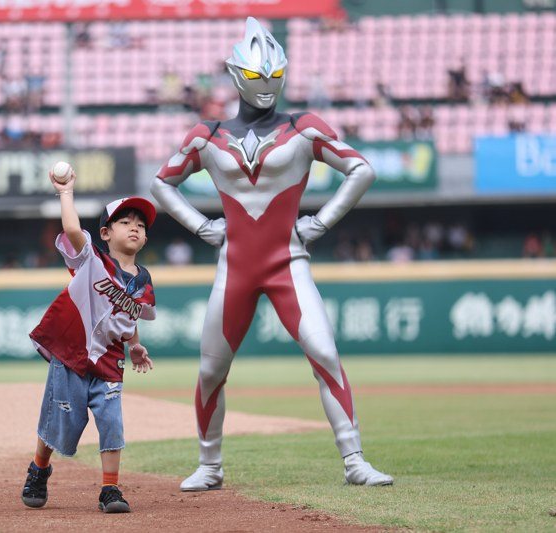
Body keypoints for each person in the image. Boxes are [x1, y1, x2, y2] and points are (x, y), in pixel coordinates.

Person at [150, 17, 393, 491]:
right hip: (235, 265)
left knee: (324, 352)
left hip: (288, 262)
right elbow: (162, 182)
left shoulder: (303, 127)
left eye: (275, 77)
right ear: (237, 75)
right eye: (259, 77)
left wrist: (319, 223)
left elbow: (361, 169)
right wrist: (202, 226)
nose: (268, 87)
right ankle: (209, 464)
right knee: (211, 368)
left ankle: (355, 460)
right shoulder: (208, 134)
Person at [21, 168, 158, 514]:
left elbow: (132, 315)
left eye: (140, 225)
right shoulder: (92, 261)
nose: (135, 228)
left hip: (110, 358)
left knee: (112, 422)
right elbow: (70, 229)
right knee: (61, 421)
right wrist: (65, 192)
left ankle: (110, 490)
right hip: (71, 353)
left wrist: (136, 345)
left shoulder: (143, 281)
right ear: (106, 233)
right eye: (125, 222)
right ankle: (39, 468)